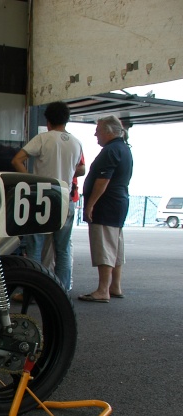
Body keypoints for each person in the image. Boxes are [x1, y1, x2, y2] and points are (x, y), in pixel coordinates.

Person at [11, 101, 85, 292]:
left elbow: (17, 160)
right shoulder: (76, 143)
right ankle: (61, 291)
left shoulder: (43, 138)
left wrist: (32, 181)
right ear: (66, 120)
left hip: (43, 198)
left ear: (48, 120)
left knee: (35, 246)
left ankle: (32, 292)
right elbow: (81, 169)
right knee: (63, 249)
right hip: (66, 198)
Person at [78, 115, 133, 303]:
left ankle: (103, 290)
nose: (95, 134)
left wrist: (91, 204)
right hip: (119, 202)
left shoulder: (110, 151)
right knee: (115, 245)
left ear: (109, 131)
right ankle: (115, 286)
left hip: (106, 204)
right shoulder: (124, 148)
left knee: (104, 246)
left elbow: (103, 180)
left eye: (98, 130)